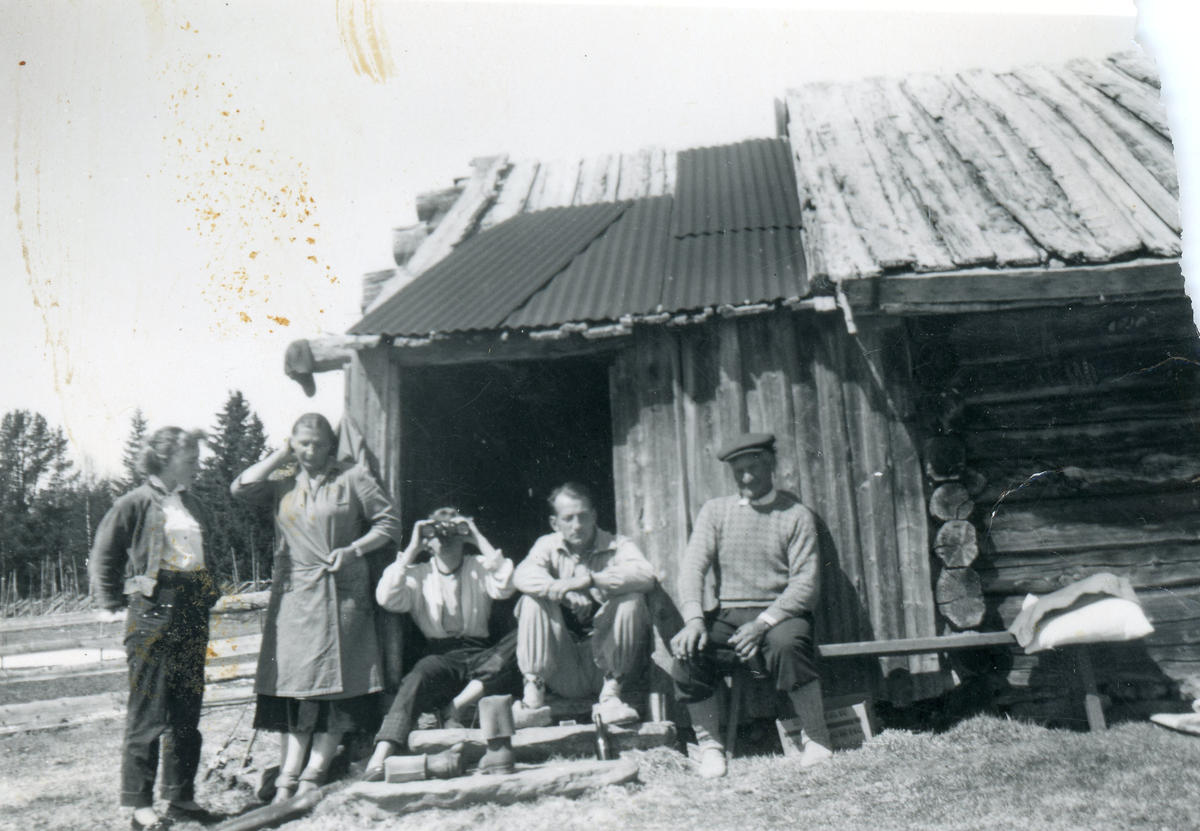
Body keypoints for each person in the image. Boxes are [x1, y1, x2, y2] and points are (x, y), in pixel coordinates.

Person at [231, 413, 401, 802]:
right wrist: (280, 454)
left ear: (331, 446)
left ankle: (314, 773)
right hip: (294, 596)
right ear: (292, 442)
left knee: (341, 687)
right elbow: (240, 489)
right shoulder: (282, 481)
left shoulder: (353, 477)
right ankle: (288, 775)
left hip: (342, 594)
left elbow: (389, 523)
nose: (310, 451)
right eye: (302, 443)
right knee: (296, 688)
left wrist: (355, 549)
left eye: (318, 444)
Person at [669, 432, 831, 779]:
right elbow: (692, 568)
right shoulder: (716, 512)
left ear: (770, 465)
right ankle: (711, 747)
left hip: (781, 615)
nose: (746, 478)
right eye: (738, 471)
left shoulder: (796, 515)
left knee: (788, 646)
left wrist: (764, 623)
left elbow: (805, 585)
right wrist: (695, 619)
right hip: (728, 616)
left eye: (754, 468)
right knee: (688, 653)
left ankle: (816, 738)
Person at [90, 427, 223, 830]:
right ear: (164, 460)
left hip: (192, 609)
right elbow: (104, 552)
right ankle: (139, 804)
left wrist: (208, 590)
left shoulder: (194, 504)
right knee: (149, 712)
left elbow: (208, 553)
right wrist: (110, 603)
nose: (198, 466)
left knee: (187, 710)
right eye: (191, 459)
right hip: (153, 611)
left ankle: (181, 797)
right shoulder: (134, 502)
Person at [363, 507, 518, 779]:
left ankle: (455, 707)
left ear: (463, 537)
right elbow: (386, 598)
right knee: (417, 677)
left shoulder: (478, 566)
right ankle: (381, 755)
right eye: (436, 533)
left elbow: (506, 583)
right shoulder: (418, 573)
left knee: (519, 639)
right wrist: (410, 550)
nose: (445, 539)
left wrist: (476, 536)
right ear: (428, 541)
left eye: (454, 533)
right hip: (441, 655)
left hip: (480, 652)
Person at [513, 482, 656, 726]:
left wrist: (590, 580)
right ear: (555, 523)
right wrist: (562, 591)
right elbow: (522, 575)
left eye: (583, 516)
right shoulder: (547, 545)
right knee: (531, 600)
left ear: (594, 516)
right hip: (564, 668)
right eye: (568, 519)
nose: (577, 525)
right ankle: (533, 701)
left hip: (608, 668)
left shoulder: (617, 544)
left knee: (632, 599)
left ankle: (611, 699)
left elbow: (645, 575)